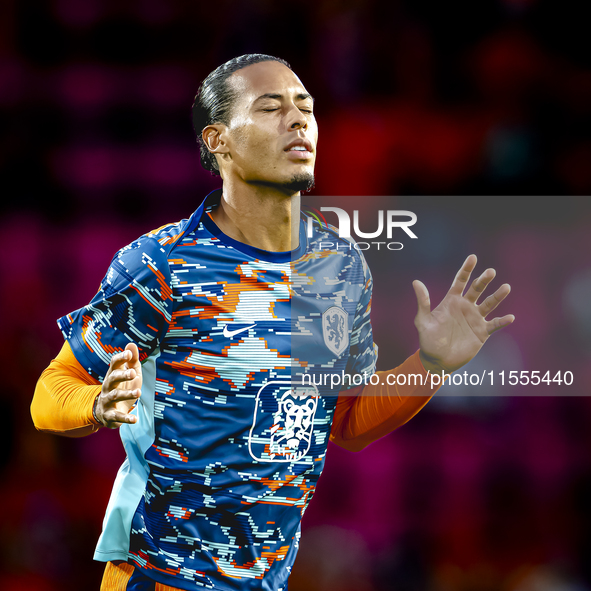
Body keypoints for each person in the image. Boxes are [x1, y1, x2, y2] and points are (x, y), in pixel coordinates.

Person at [31, 54, 514, 591]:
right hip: (158, 578)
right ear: (219, 142)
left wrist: (430, 365)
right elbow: (50, 391)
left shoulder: (341, 268)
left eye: (305, 107)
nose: (298, 119)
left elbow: (346, 423)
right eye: (270, 107)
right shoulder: (162, 262)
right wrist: (96, 405)